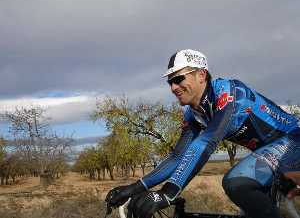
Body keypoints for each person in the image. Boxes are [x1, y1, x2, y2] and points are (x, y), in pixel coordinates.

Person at [105, 49, 300, 218]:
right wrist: (135, 188)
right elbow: (177, 157)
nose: (173, 87)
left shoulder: (229, 93)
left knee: (236, 182)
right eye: (170, 82)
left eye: (179, 79)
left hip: (293, 140)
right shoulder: (194, 113)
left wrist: (167, 192)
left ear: (201, 75)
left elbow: (207, 142)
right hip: (269, 153)